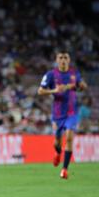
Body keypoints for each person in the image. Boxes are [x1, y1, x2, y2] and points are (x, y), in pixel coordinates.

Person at [38, 51, 88, 179]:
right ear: (57, 60)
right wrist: (54, 90)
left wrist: (82, 86)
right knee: (57, 142)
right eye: (61, 57)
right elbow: (40, 91)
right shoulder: (51, 75)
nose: (63, 60)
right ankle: (57, 153)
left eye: (65, 57)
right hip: (57, 113)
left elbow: (82, 86)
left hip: (71, 112)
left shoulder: (74, 73)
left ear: (69, 60)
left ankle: (64, 169)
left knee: (70, 138)